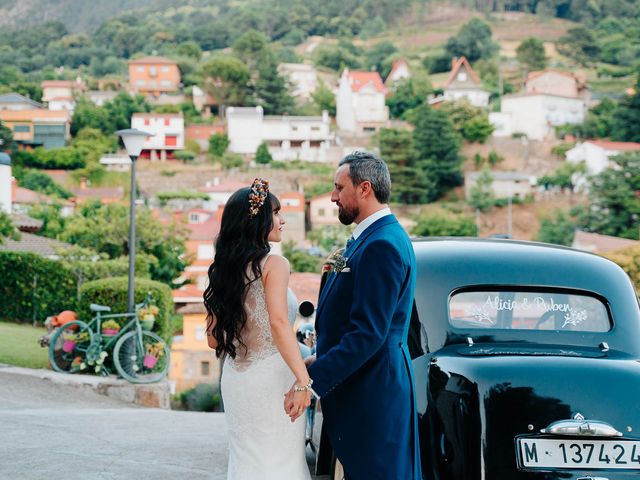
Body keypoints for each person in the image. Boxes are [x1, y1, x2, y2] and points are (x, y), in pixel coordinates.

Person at [286, 151, 422, 479]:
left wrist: (311, 382)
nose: (333, 197)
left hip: (372, 391)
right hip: (365, 384)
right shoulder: (373, 238)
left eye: (338, 188)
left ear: (364, 189)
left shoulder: (382, 245)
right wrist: (319, 356)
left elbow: (368, 333)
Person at [204, 178, 312, 480]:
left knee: (247, 463)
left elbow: (214, 341)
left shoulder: (222, 270)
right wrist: (303, 381)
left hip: (238, 380)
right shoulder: (274, 264)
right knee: (280, 465)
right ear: (257, 220)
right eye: (276, 213)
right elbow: (278, 323)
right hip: (272, 381)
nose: (282, 220)